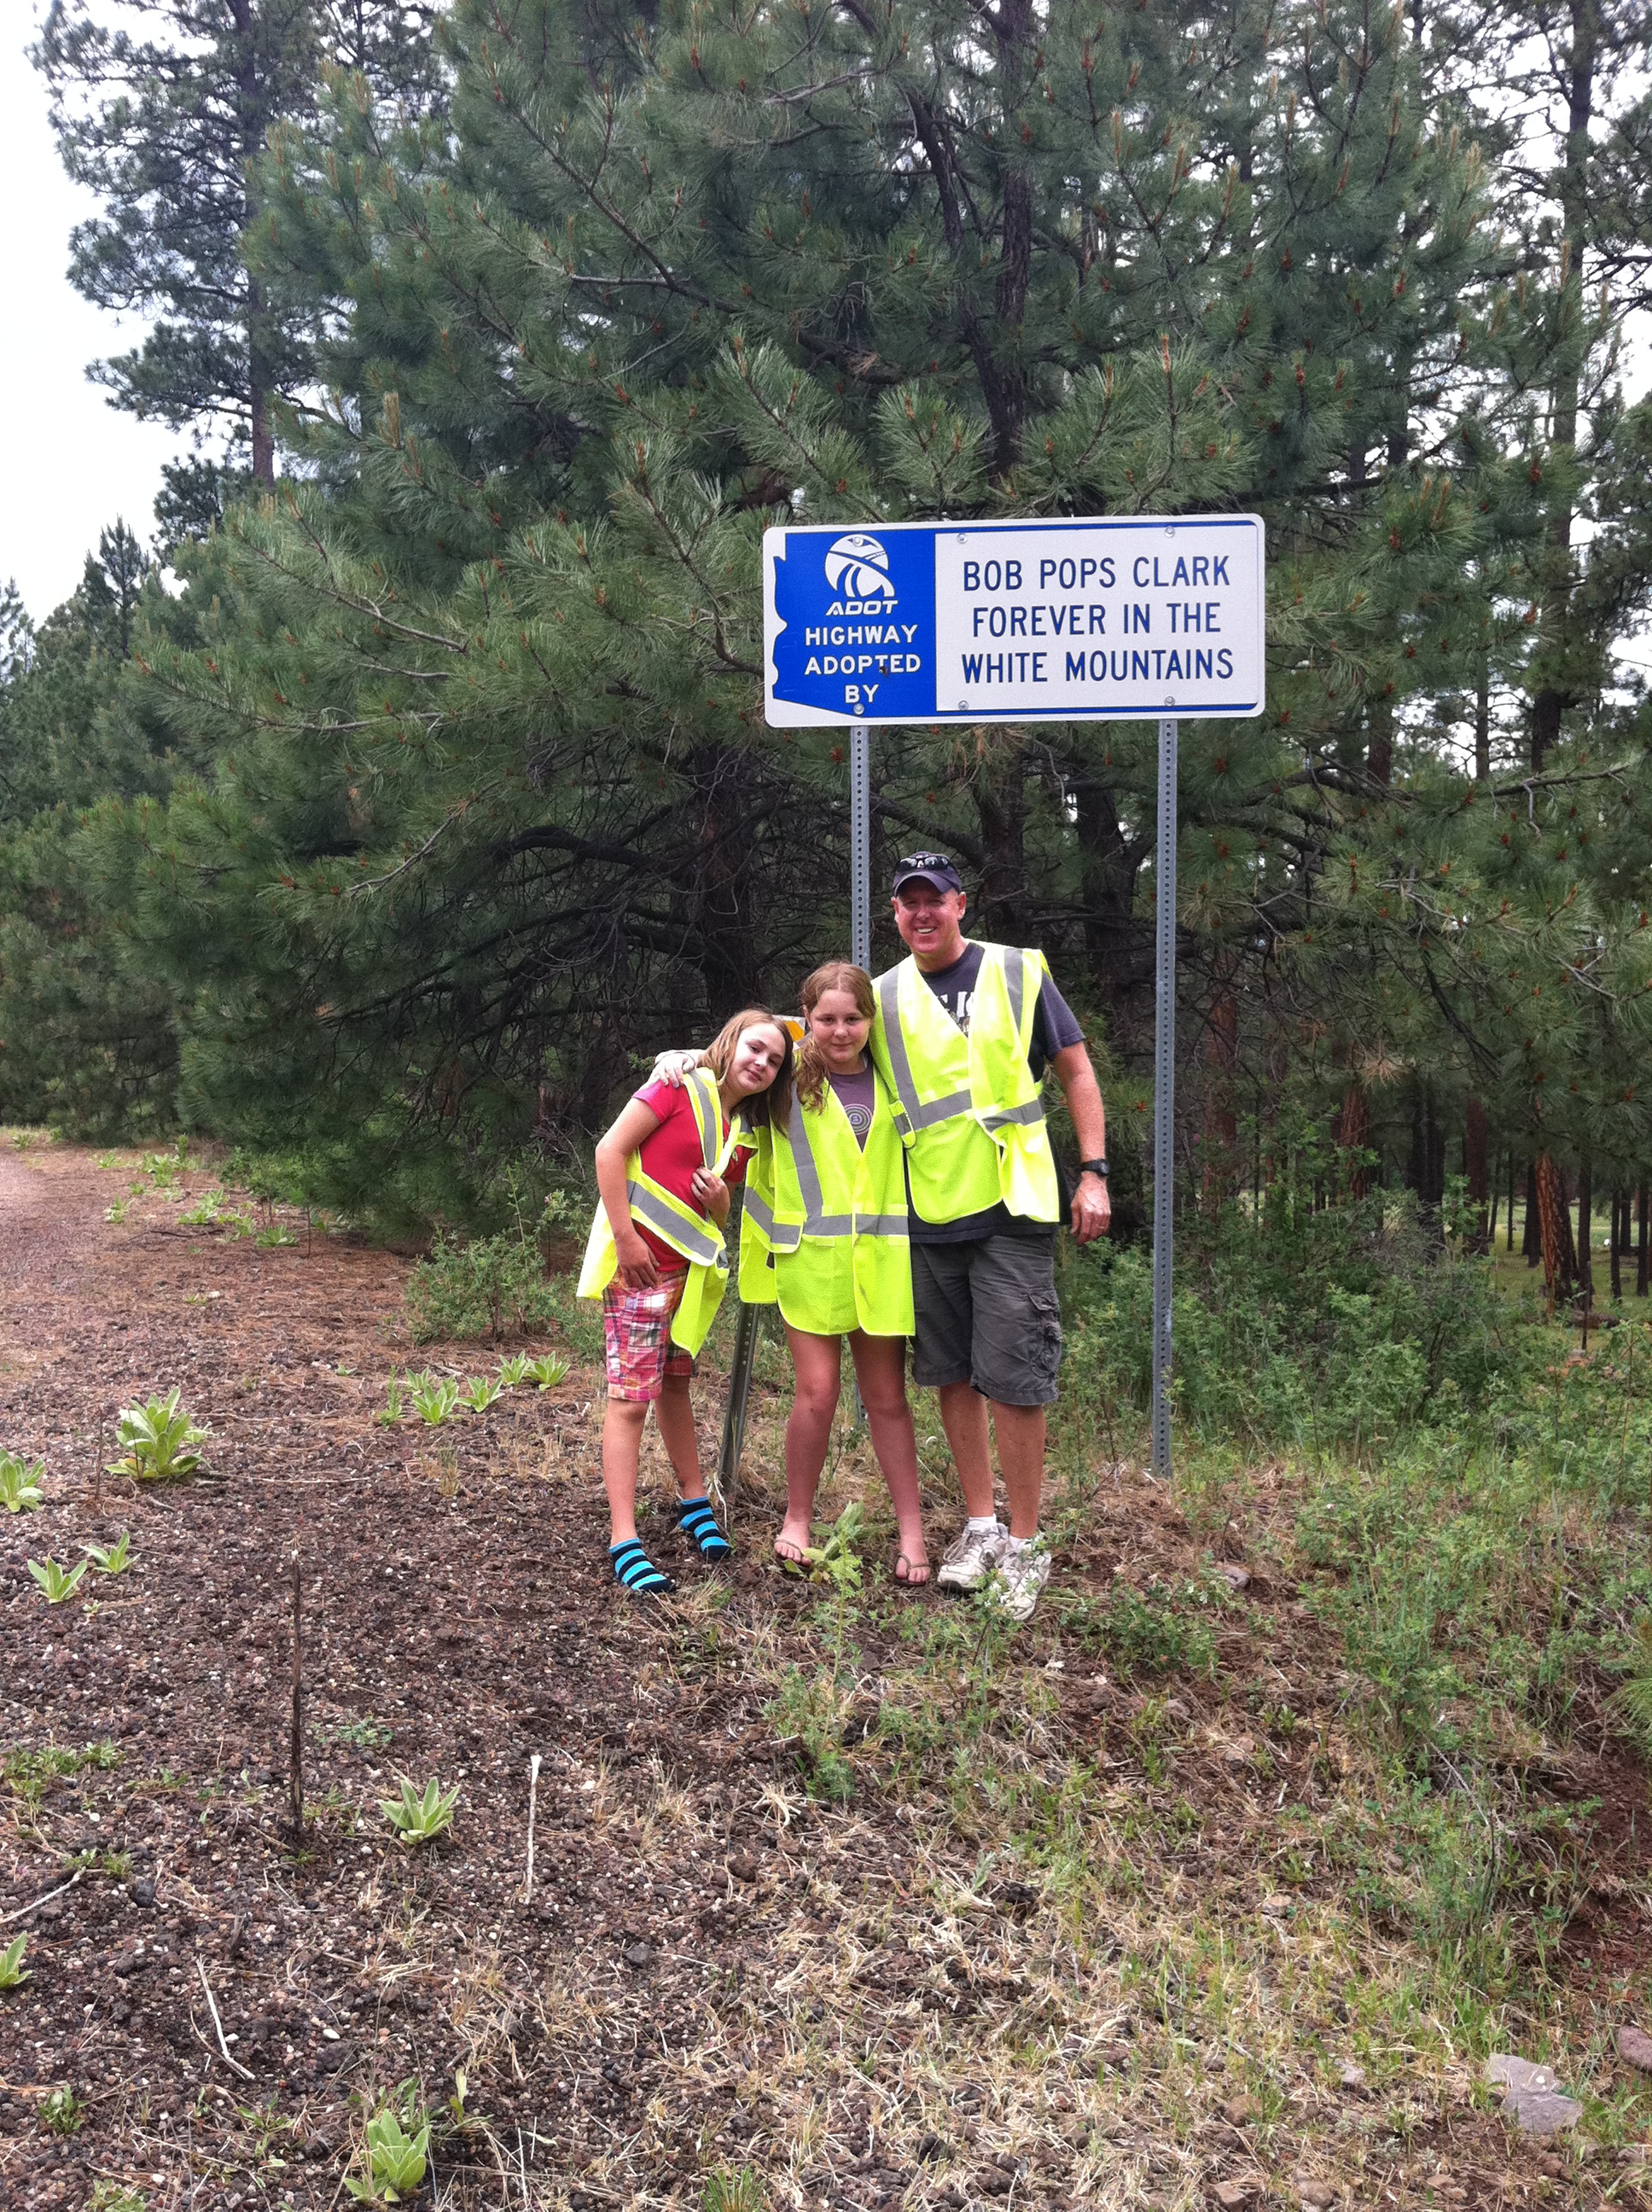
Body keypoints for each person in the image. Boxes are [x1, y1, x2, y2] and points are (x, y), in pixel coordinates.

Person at [869, 853, 1111, 1621]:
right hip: (931, 1209)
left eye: (933, 900)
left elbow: (1074, 1070)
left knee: (1015, 1374)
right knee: (950, 1373)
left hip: (1013, 1203)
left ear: (960, 904)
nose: (921, 914)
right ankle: (980, 1527)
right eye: (908, 904)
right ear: (897, 915)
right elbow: (817, 1044)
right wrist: (697, 1062)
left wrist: (1095, 1171)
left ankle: (1026, 1544)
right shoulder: (880, 997)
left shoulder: (1015, 971)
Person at [578, 1009, 793, 1595]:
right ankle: (625, 1539)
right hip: (640, 1267)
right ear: (730, 1042)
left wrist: (723, 1201)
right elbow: (608, 1151)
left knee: (675, 1384)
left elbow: (716, 1215)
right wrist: (624, 1240)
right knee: (629, 1401)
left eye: (775, 1060)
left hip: (690, 1279)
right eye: (754, 1049)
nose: (762, 1063)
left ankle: (693, 1501)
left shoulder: (744, 1131)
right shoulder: (675, 1085)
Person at [738, 963, 928, 1584]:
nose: (841, 1031)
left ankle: (912, 1533)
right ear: (806, 1020)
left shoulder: (896, 1077)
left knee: (888, 1400)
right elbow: (724, 1058)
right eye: (826, 1019)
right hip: (811, 1262)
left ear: (872, 1020)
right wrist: (673, 1062)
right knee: (816, 1394)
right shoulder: (786, 1080)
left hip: (880, 1264)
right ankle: (798, 1518)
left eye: (853, 1018)